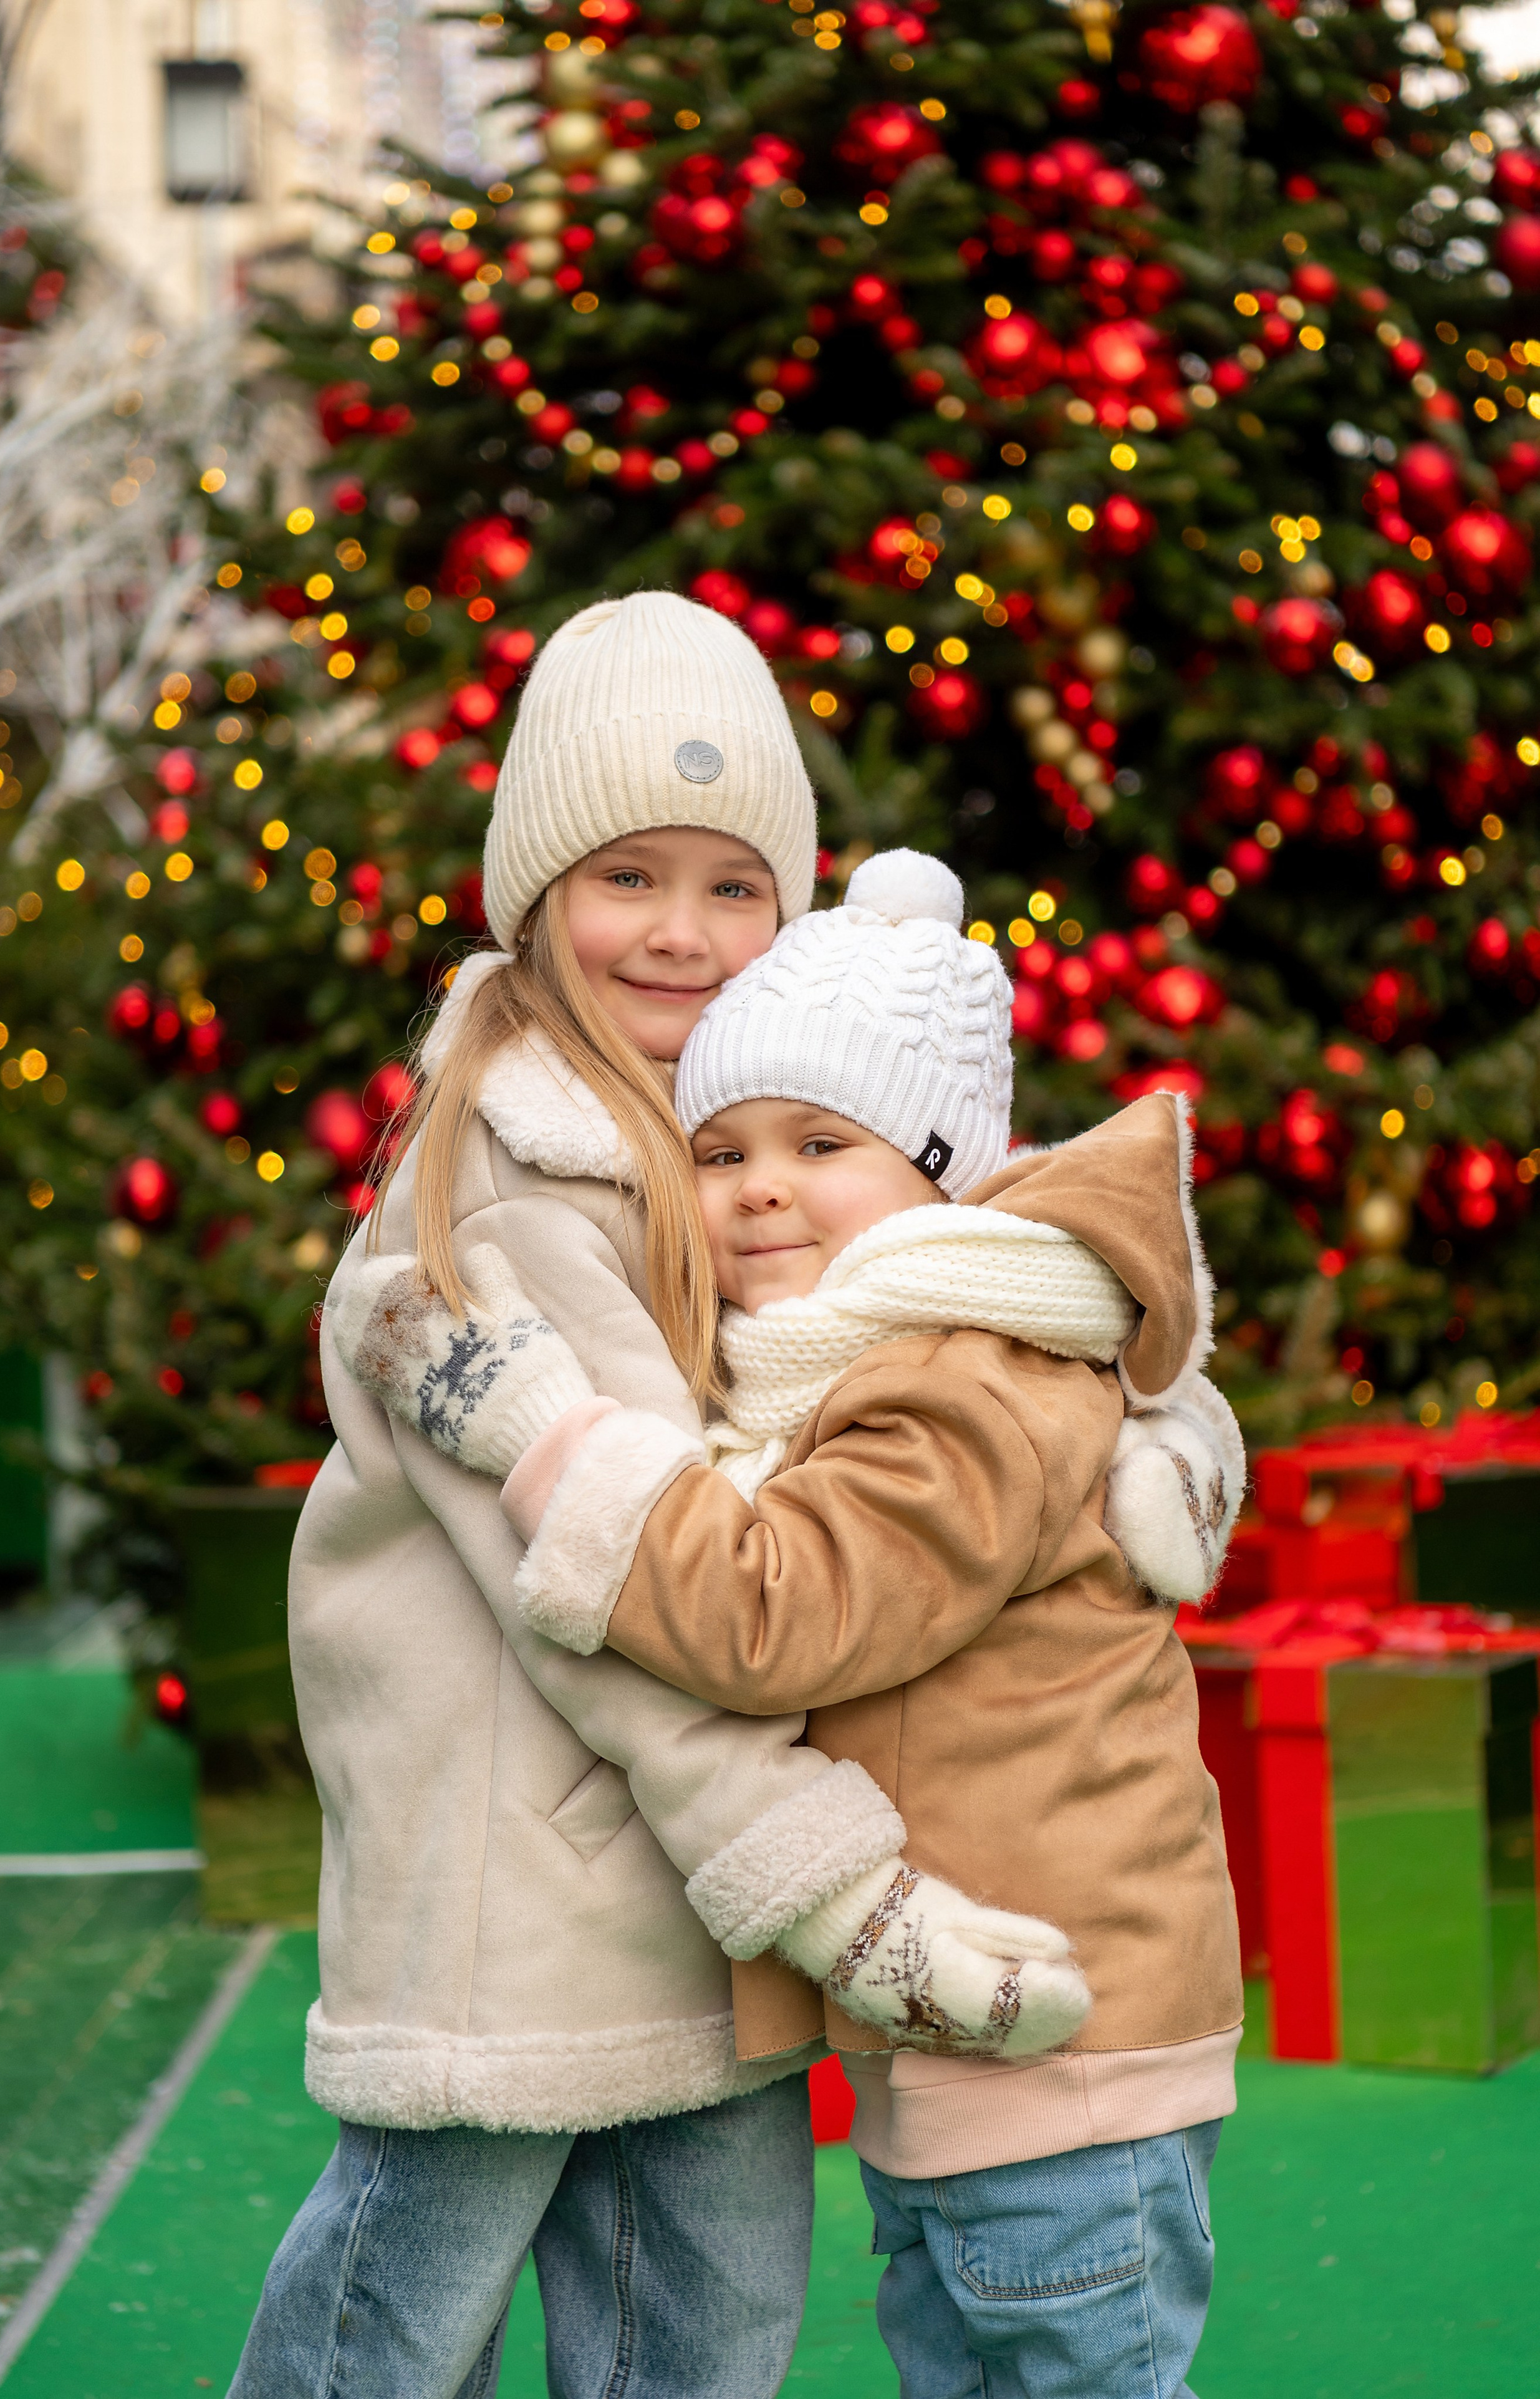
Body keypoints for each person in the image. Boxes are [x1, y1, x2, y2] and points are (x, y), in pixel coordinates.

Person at [235, 611, 1082, 2399]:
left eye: (733, 884)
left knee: (700, 2325)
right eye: (629, 874)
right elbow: (624, 1583)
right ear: (538, 894)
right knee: (396, 2325)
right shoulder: (502, 1204)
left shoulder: (732, 1146)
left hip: (693, 1894)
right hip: (525, 1895)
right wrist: (829, 1879)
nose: (682, 932)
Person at [378, 849, 1248, 2399]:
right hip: (983, 2056)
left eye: (818, 1140)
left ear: (939, 1166)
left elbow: (778, 1610)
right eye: (716, 1150)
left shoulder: (958, 1379)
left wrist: (545, 1436)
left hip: (1064, 2062)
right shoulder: (882, 1354)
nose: (756, 1183)